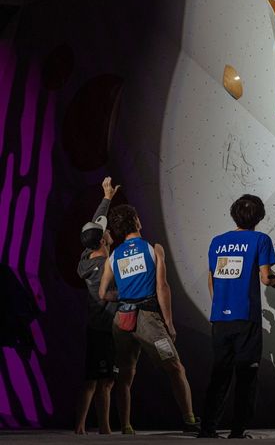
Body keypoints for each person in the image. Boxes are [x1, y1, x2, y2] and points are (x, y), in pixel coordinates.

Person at [98, 204, 200, 434]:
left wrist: (123, 295)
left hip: (121, 321)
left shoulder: (113, 257)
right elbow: (162, 287)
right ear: (136, 221)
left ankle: (125, 426)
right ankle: (190, 420)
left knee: (125, 375)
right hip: (148, 322)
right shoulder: (154, 249)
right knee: (175, 368)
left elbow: (103, 294)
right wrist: (169, 323)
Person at [198, 194, 275, 439]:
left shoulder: (217, 241)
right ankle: (238, 430)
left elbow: (212, 278)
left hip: (220, 318)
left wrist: (221, 303)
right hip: (246, 317)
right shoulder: (260, 239)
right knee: (246, 374)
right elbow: (266, 277)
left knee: (220, 373)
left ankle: (208, 428)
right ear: (259, 217)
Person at [74, 177, 119, 434]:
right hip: (105, 328)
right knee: (106, 382)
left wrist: (106, 197)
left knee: (91, 380)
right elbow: (111, 294)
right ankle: (105, 428)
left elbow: (96, 224)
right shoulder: (106, 267)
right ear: (103, 241)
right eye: (106, 234)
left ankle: (80, 427)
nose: (109, 232)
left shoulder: (84, 257)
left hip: (94, 328)